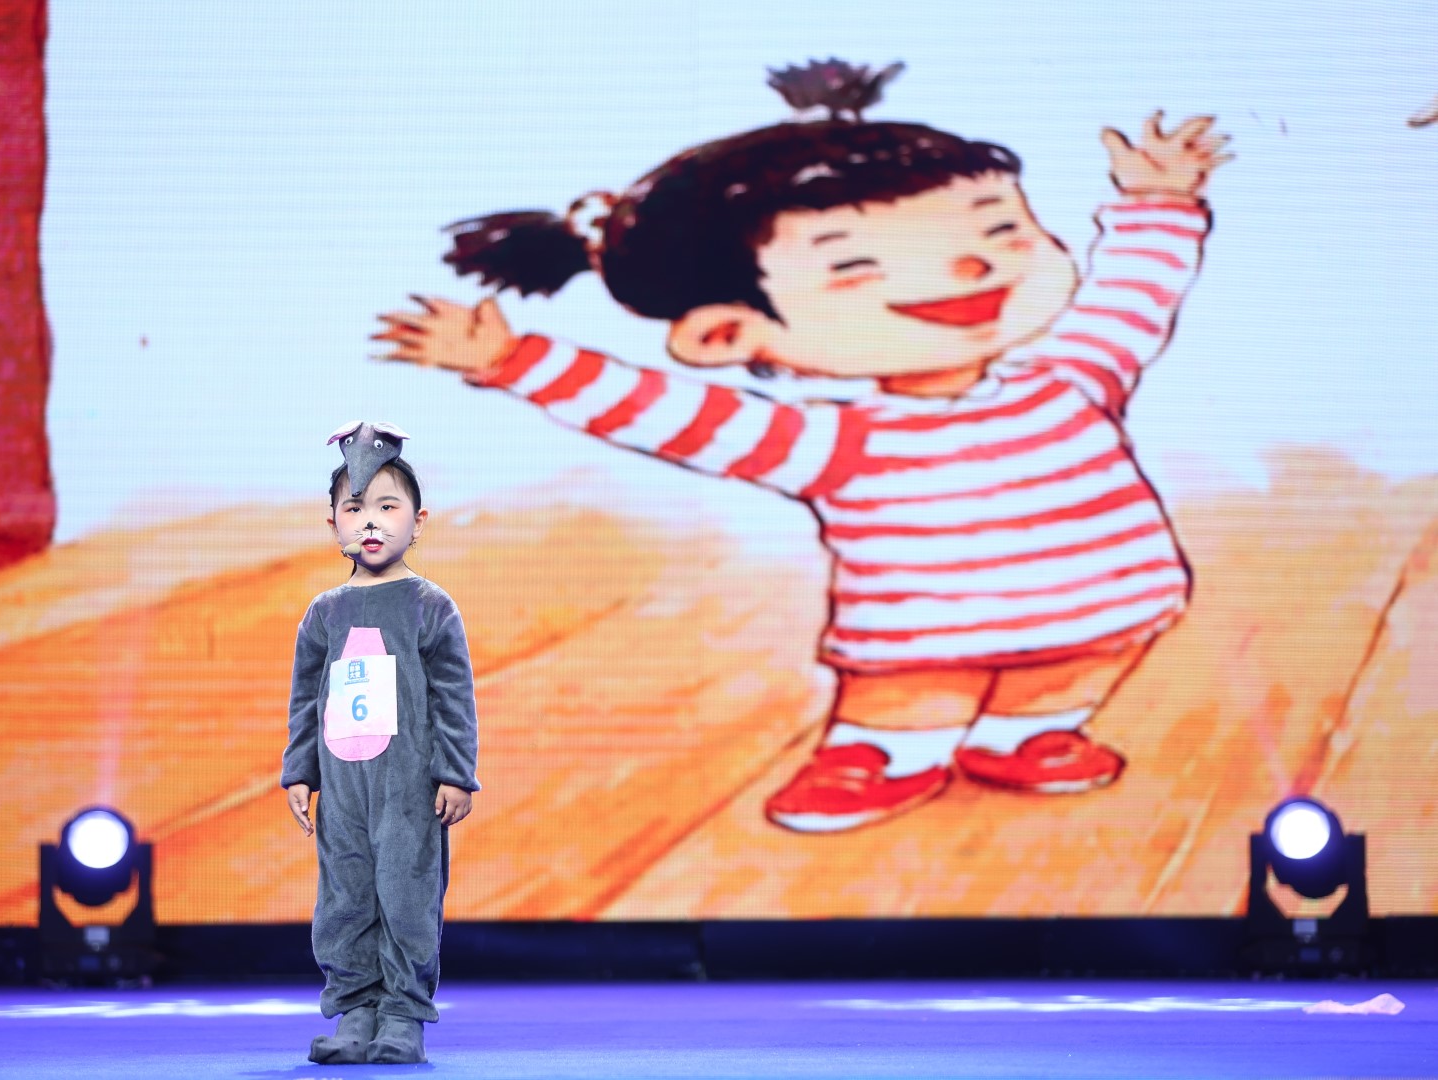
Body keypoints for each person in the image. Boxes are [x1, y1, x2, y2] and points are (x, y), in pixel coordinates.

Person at [375, 59, 1228, 834]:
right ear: (727, 334)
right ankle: (884, 755)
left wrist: (1158, 203)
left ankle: (1026, 736)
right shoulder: (833, 441)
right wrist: (517, 361)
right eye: (858, 266)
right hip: (925, 634)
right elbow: (664, 410)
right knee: (913, 698)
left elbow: (1132, 295)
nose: (973, 268)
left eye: (1001, 230)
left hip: (1113, 605)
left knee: (1076, 671)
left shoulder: (1074, 376)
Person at [281, 426, 478, 1065]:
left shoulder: (430, 605)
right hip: (343, 784)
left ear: (417, 522)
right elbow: (306, 699)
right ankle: (355, 1012)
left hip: (407, 782)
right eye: (354, 507)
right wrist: (299, 771)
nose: (370, 521)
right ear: (334, 524)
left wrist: (455, 771)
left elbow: (453, 694)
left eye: (387, 506)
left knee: (406, 893)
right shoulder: (324, 612)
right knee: (344, 897)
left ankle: (402, 1015)